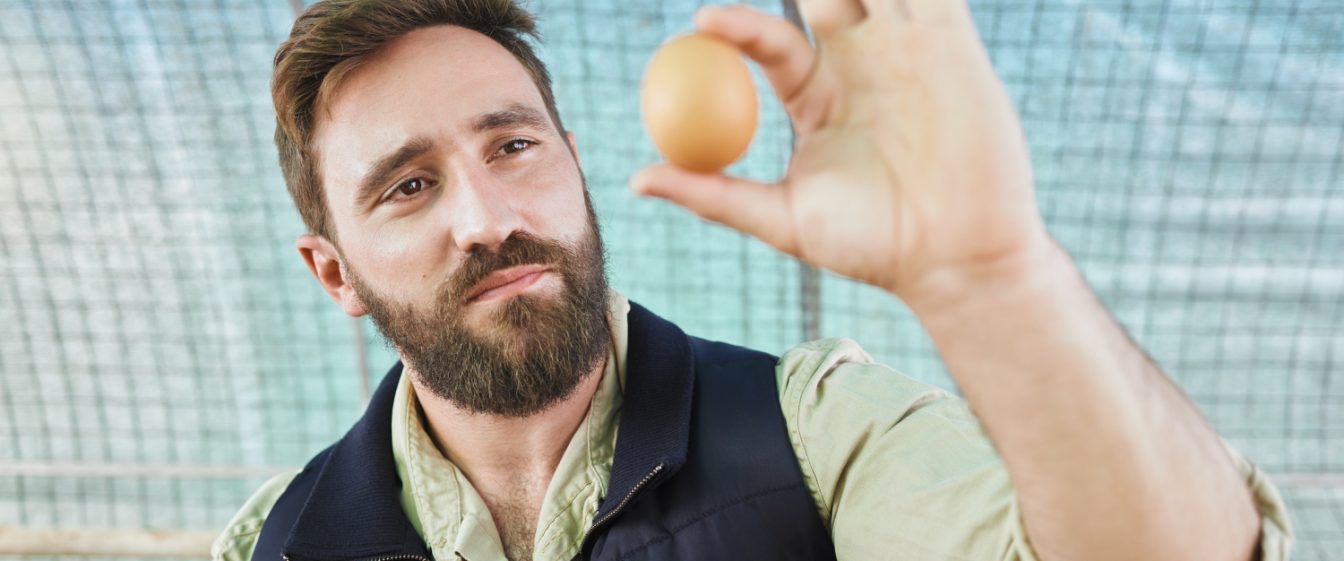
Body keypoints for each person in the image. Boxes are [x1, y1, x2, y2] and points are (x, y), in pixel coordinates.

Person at [213, 0, 1293, 560]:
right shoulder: (278, 543)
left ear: (575, 163)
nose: (489, 220)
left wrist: (992, 273)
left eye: (512, 147)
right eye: (407, 187)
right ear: (332, 272)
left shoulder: (815, 436)